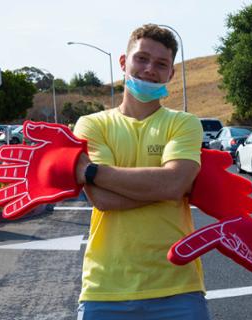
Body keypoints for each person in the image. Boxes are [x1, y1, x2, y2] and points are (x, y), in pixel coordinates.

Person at [72, 24, 209, 319]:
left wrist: (93, 171)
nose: (150, 69)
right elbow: (103, 200)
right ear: (124, 62)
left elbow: (171, 184)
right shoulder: (91, 124)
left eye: (161, 64)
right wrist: (169, 187)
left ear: (171, 74)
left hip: (178, 287)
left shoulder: (184, 123)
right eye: (142, 58)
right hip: (104, 289)